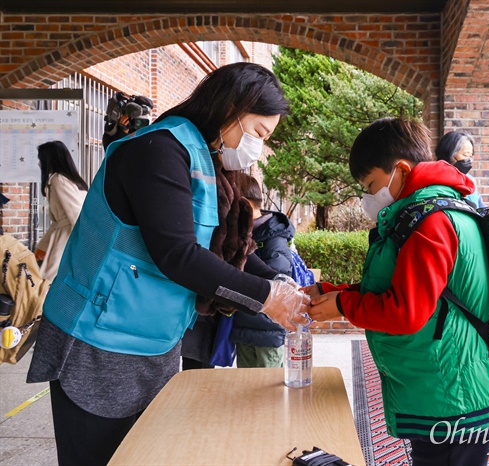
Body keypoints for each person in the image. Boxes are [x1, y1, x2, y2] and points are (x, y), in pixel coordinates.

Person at [27, 62, 310, 466]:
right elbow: (177, 254)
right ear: (231, 108)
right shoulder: (159, 149)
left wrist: (283, 284)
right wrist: (267, 299)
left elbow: (227, 251)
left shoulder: (205, 158)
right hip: (98, 340)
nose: (257, 149)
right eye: (259, 133)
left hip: (152, 340)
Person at [307, 117, 489, 466]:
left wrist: (343, 304)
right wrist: (331, 292)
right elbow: (406, 285)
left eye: (370, 185)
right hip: (448, 388)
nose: (367, 197)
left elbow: (406, 312)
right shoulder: (430, 212)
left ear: (400, 170)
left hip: (454, 399)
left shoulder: (432, 222)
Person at [229, 174, 295, 368]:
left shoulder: (274, 240)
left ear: (245, 204)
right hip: (244, 328)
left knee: (269, 394)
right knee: (246, 392)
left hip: (267, 332)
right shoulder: (246, 232)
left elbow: (276, 286)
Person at [34, 141, 88, 283]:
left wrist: (84, 244)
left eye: (41, 159)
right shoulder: (70, 180)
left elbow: (76, 214)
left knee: (49, 280)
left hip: (67, 237)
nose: (39, 163)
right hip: (65, 234)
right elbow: (58, 222)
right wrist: (42, 247)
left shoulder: (59, 180)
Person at [435, 130, 485, 208]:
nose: (468, 160)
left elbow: (481, 208)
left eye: (470, 156)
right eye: (465, 155)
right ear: (449, 155)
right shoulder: (434, 181)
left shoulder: (470, 181)